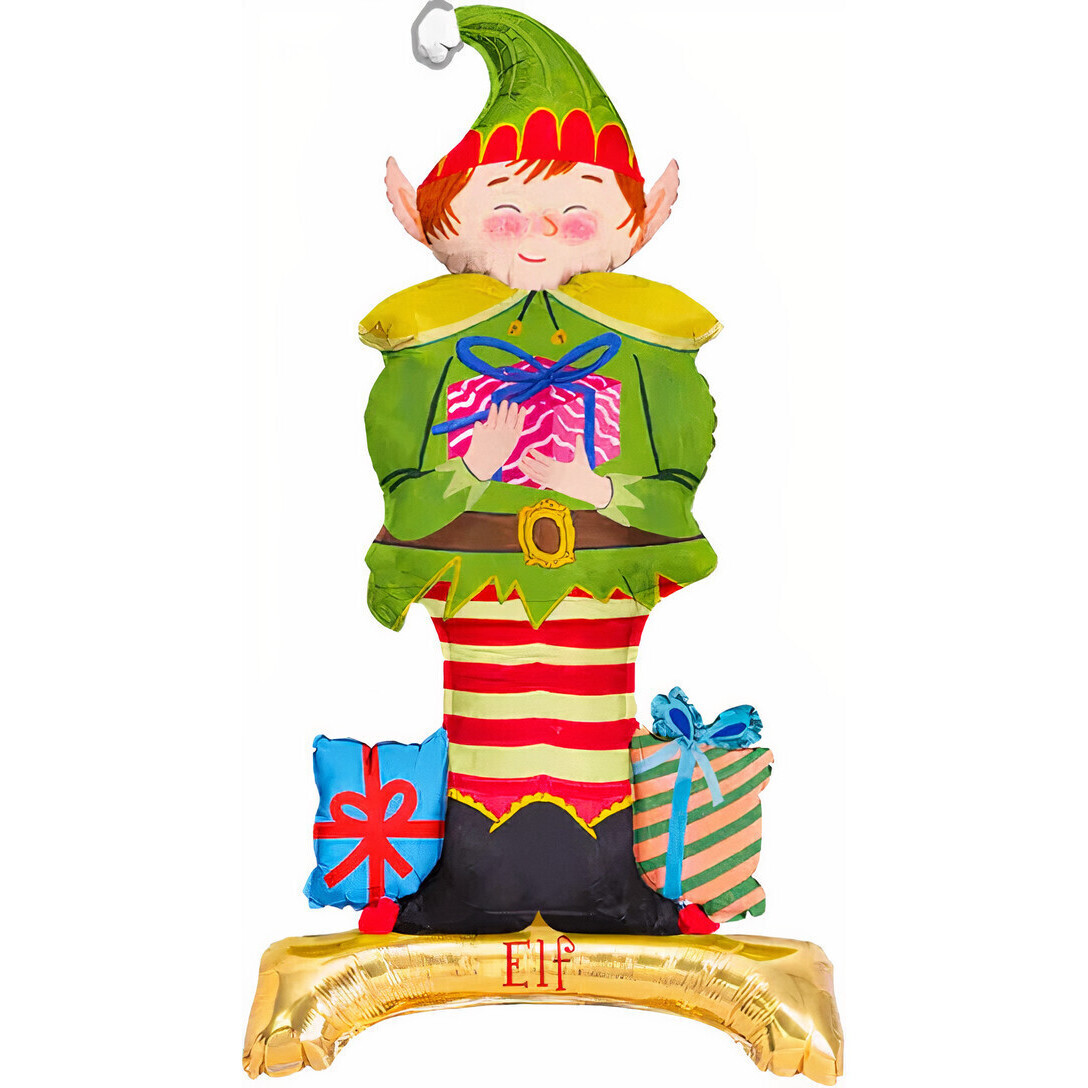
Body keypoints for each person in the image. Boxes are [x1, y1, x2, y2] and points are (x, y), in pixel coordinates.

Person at [359, 4, 722, 935]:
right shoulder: (426, 347)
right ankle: (469, 889)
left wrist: (600, 489)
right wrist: (469, 469)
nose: (537, 236)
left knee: (591, 733)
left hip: (600, 578)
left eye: (576, 215)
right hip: (476, 575)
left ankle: (614, 892)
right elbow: (401, 479)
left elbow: (680, 473)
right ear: (428, 217)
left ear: (642, 218)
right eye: (505, 212)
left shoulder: (648, 347)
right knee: (490, 730)